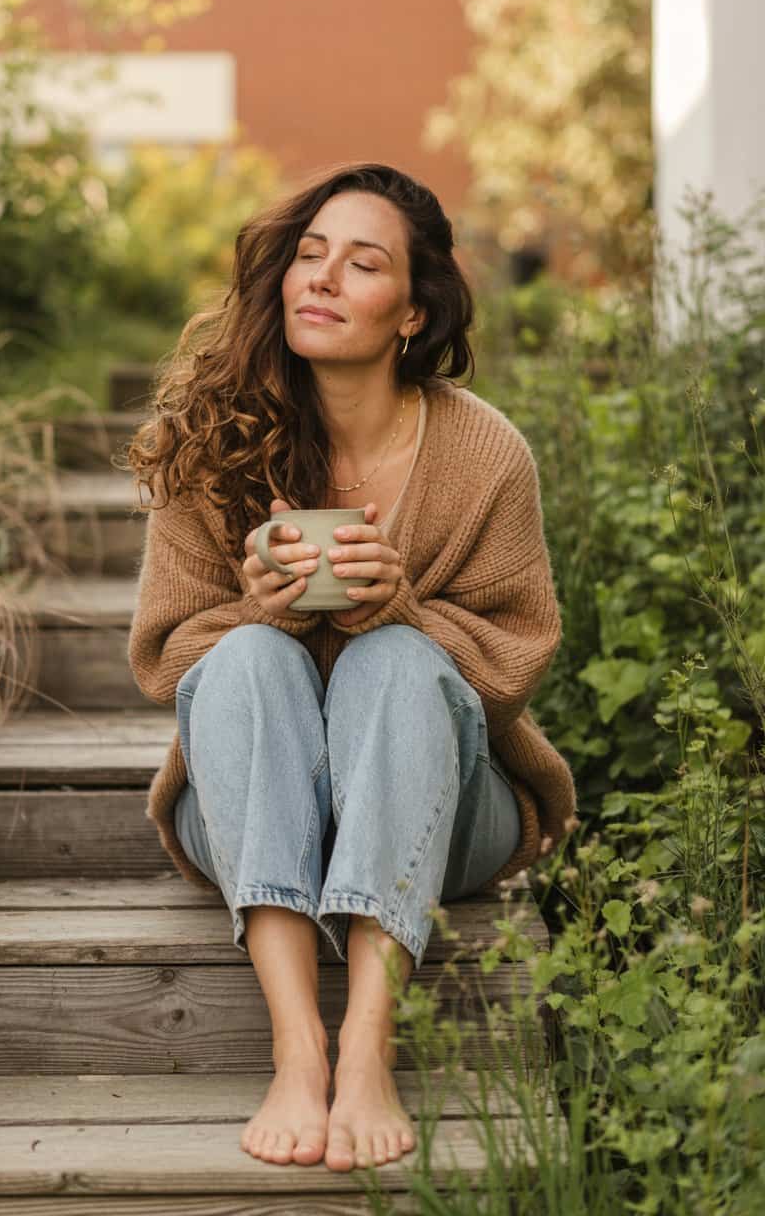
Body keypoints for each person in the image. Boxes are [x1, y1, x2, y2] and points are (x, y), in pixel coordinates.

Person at [125, 161, 576, 1175]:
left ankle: (367, 1044)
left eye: (361, 264)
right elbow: (168, 660)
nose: (319, 279)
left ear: (411, 313)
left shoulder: (483, 453)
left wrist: (400, 607)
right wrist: (262, 612)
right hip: (249, 804)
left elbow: (514, 659)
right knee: (243, 658)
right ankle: (297, 1046)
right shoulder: (212, 440)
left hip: (445, 804)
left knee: (399, 660)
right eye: (308, 255)